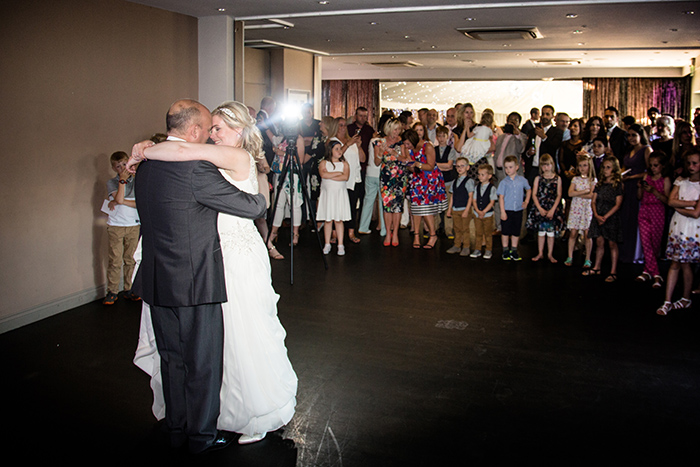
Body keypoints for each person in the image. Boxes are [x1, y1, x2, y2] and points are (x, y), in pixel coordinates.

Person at [131, 100, 296, 448]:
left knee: (239, 338)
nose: (212, 134)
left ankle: (249, 411)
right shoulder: (199, 162)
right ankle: (207, 424)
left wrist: (144, 151)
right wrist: (151, 148)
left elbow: (180, 154)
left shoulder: (233, 158)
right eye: (211, 128)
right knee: (207, 352)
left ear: (240, 131)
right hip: (203, 263)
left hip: (231, 257)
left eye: (219, 128)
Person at [657, 150, 700, 315]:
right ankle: (668, 300)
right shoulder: (681, 181)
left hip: (693, 228)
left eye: (695, 163)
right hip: (679, 227)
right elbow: (670, 200)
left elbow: (696, 213)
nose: (691, 166)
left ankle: (685, 297)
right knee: (675, 262)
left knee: (686, 263)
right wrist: (689, 203)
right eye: (689, 163)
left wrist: (677, 206)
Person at [103, 151, 140, 305]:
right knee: (115, 260)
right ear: (113, 168)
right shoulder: (112, 182)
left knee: (130, 259)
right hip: (116, 226)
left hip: (133, 225)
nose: (122, 168)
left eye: (124, 164)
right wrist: (122, 181)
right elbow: (117, 197)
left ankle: (129, 288)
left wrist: (120, 201)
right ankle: (112, 291)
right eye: (118, 166)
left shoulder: (137, 181)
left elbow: (136, 203)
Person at [404, 128, 447, 249]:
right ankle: (417, 235)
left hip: (430, 180)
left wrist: (417, 164)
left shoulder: (427, 146)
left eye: (408, 143)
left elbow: (430, 166)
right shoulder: (409, 149)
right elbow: (411, 167)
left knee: (426, 208)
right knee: (416, 207)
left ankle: (433, 235)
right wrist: (409, 165)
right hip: (417, 180)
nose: (406, 146)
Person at [583, 156, 624, 282]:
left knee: (612, 243)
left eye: (608, 168)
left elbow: (618, 204)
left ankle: (613, 271)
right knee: (599, 242)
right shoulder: (599, 184)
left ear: (614, 169)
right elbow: (593, 201)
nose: (605, 170)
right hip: (598, 215)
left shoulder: (617, 185)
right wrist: (596, 215)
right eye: (604, 167)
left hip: (610, 217)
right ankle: (597, 267)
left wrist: (605, 216)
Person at [636, 152, 671, 288]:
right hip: (644, 209)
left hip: (658, 211)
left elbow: (667, 200)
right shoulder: (647, 176)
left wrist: (654, 191)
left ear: (662, 166)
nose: (653, 168)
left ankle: (647, 270)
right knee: (645, 242)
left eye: (656, 165)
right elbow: (639, 197)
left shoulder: (665, 179)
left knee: (655, 243)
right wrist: (640, 188)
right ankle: (656, 274)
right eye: (651, 165)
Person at [376, 118, 410, 246]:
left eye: (399, 129)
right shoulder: (381, 141)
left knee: (397, 206)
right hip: (386, 177)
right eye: (395, 129)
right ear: (389, 129)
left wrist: (395, 153)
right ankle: (387, 232)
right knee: (387, 206)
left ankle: (395, 233)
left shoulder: (402, 142)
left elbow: (406, 160)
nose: (397, 132)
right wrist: (380, 152)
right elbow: (376, 162)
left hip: (400, 177)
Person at [526, 154, 565, 263]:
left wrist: (553, 209)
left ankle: (550, 254)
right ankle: (540, 253)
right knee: (541, 232)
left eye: (548, 165)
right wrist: (539, 208)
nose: (545, 168)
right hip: (540, 206)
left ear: (552, 165)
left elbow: (559, 195)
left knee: (551, 232)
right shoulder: (538, 178)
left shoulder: (558, 179)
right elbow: (534, 194)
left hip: (552, 207)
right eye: (543, 165)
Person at [317, 140, 351, 255]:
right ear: (330, 151)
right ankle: (327, 243)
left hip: (339, 194)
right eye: (336, 149)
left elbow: (345, 177)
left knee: (338, 219)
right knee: (328, 219)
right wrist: (338, 173)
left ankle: (340, 244)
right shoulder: (324, 163)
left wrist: (331, 175)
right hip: (328, 195)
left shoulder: (345, 164)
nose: (339, 151)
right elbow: (323, 175)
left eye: (340, 148)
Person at [565, 154, 596, 268]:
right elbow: (570, 193)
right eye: (580, 166)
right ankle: (570, 256)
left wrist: (579, 193)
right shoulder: (575, 179)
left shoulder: (593, 180)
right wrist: (584, 192)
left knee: (588, 234)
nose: (582, 168)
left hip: (586, 209)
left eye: (585, 165)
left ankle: (588, 258)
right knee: (573, 232)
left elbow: (592, 195)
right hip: (576, 208)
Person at [498, 155, 531, 261]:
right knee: (505, 231)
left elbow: (529, 189)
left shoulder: (522, 180)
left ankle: (514, 249)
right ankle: (505, 250)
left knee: (516, 231)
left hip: (518, 210)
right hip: (507, 210)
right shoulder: (503, 182)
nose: (508, 170)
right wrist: (502, 211)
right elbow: (501, 197)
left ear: (517, 167)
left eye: (510, 167)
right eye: (506, 167)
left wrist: (526, 201)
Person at [337, 117, 365, 244]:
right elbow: (336, 155)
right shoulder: (333, 141)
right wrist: (348, 144)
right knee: (339, 207)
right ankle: (335, 232)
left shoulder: (351, 141)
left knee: (353, 206)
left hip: (354, 178)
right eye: (340, 125)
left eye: (344, 125)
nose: (343, 128)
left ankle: (351, 231)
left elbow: (363, 159)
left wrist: (358, 146)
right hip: (341, 179)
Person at [523, 105, 564, 186]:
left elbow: (554, 148)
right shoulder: (533, 131)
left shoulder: (557, 131)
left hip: (548, 170)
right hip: (533, 169)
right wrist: (528, 153)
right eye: (543, 114)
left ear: (552, 116)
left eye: (547, 114)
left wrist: (544, 137)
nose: (545, 116)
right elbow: (526, 150)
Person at [469, 164, 497, 260]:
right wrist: (477, 210)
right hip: (477, 214)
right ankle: (478, 249)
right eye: (479, 174)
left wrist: (484, 212)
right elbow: (474, 200)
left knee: (488, 233)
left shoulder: (492, 188)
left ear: (489, 176)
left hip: (487, 215)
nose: (480, 176)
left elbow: (492, 202)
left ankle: (488, 250)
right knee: (479, 233)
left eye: (482, 174)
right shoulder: (476, 187)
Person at [445, 157, 471, 255]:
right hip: (455, 208)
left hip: (464, 208)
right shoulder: (454, 181)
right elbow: (452, 196)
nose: (459, 168)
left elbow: (471, 196)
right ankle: (457, 245)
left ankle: (466, 246)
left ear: (467, 167)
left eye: (462, 166)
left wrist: (467, 210)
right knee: (457, 228)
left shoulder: (469, 181)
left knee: (465, 229)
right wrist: (449, 209)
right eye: (457, 166)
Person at [458, 111, 494, 180]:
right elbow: (491, 139)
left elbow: (469, 135)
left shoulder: (478, 128)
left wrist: (467, 127)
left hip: (475, 147)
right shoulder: (489, 130)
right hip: (483, 148)